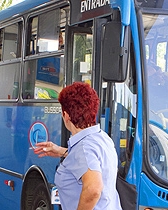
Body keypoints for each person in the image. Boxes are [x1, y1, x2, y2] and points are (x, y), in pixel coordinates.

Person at [34, 82, 122, 210]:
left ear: (66, 116)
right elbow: (93, 161)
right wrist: (60, 151)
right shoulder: (101, 137)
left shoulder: (84, 147)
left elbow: (93, 189)